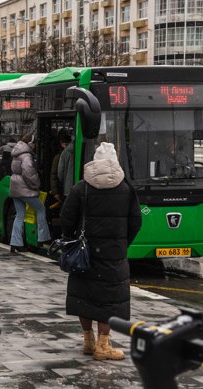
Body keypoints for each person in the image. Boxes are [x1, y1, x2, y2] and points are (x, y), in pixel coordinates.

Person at [60, 142, 142, 360]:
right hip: (113, 255)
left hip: (85, 254)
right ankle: (104, 346)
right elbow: (136, 222)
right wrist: (123, 243)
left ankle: (88, 341)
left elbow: (66, 217)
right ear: (115, 162)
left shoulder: (81, 188)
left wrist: (72, 239)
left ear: (95, 162)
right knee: (109, 300)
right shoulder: (126, 189)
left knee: (84, 298)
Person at [8, 134, 51, 253]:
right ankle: (42, 238)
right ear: (30, 144)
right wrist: (36, 184)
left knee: (19, 215)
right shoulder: (26, 156)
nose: (35, 146)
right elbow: (28, 173)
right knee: (41, 209)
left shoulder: (16, 154)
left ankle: (15, 243)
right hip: (25, 190)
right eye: (34, 143)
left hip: (15, 188)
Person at [51, 133, 72, 203]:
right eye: (66, 144)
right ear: (61, 144)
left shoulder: (62, 155)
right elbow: (54, 175)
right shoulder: (58, 157)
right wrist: (55, 192)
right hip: (62, 189)